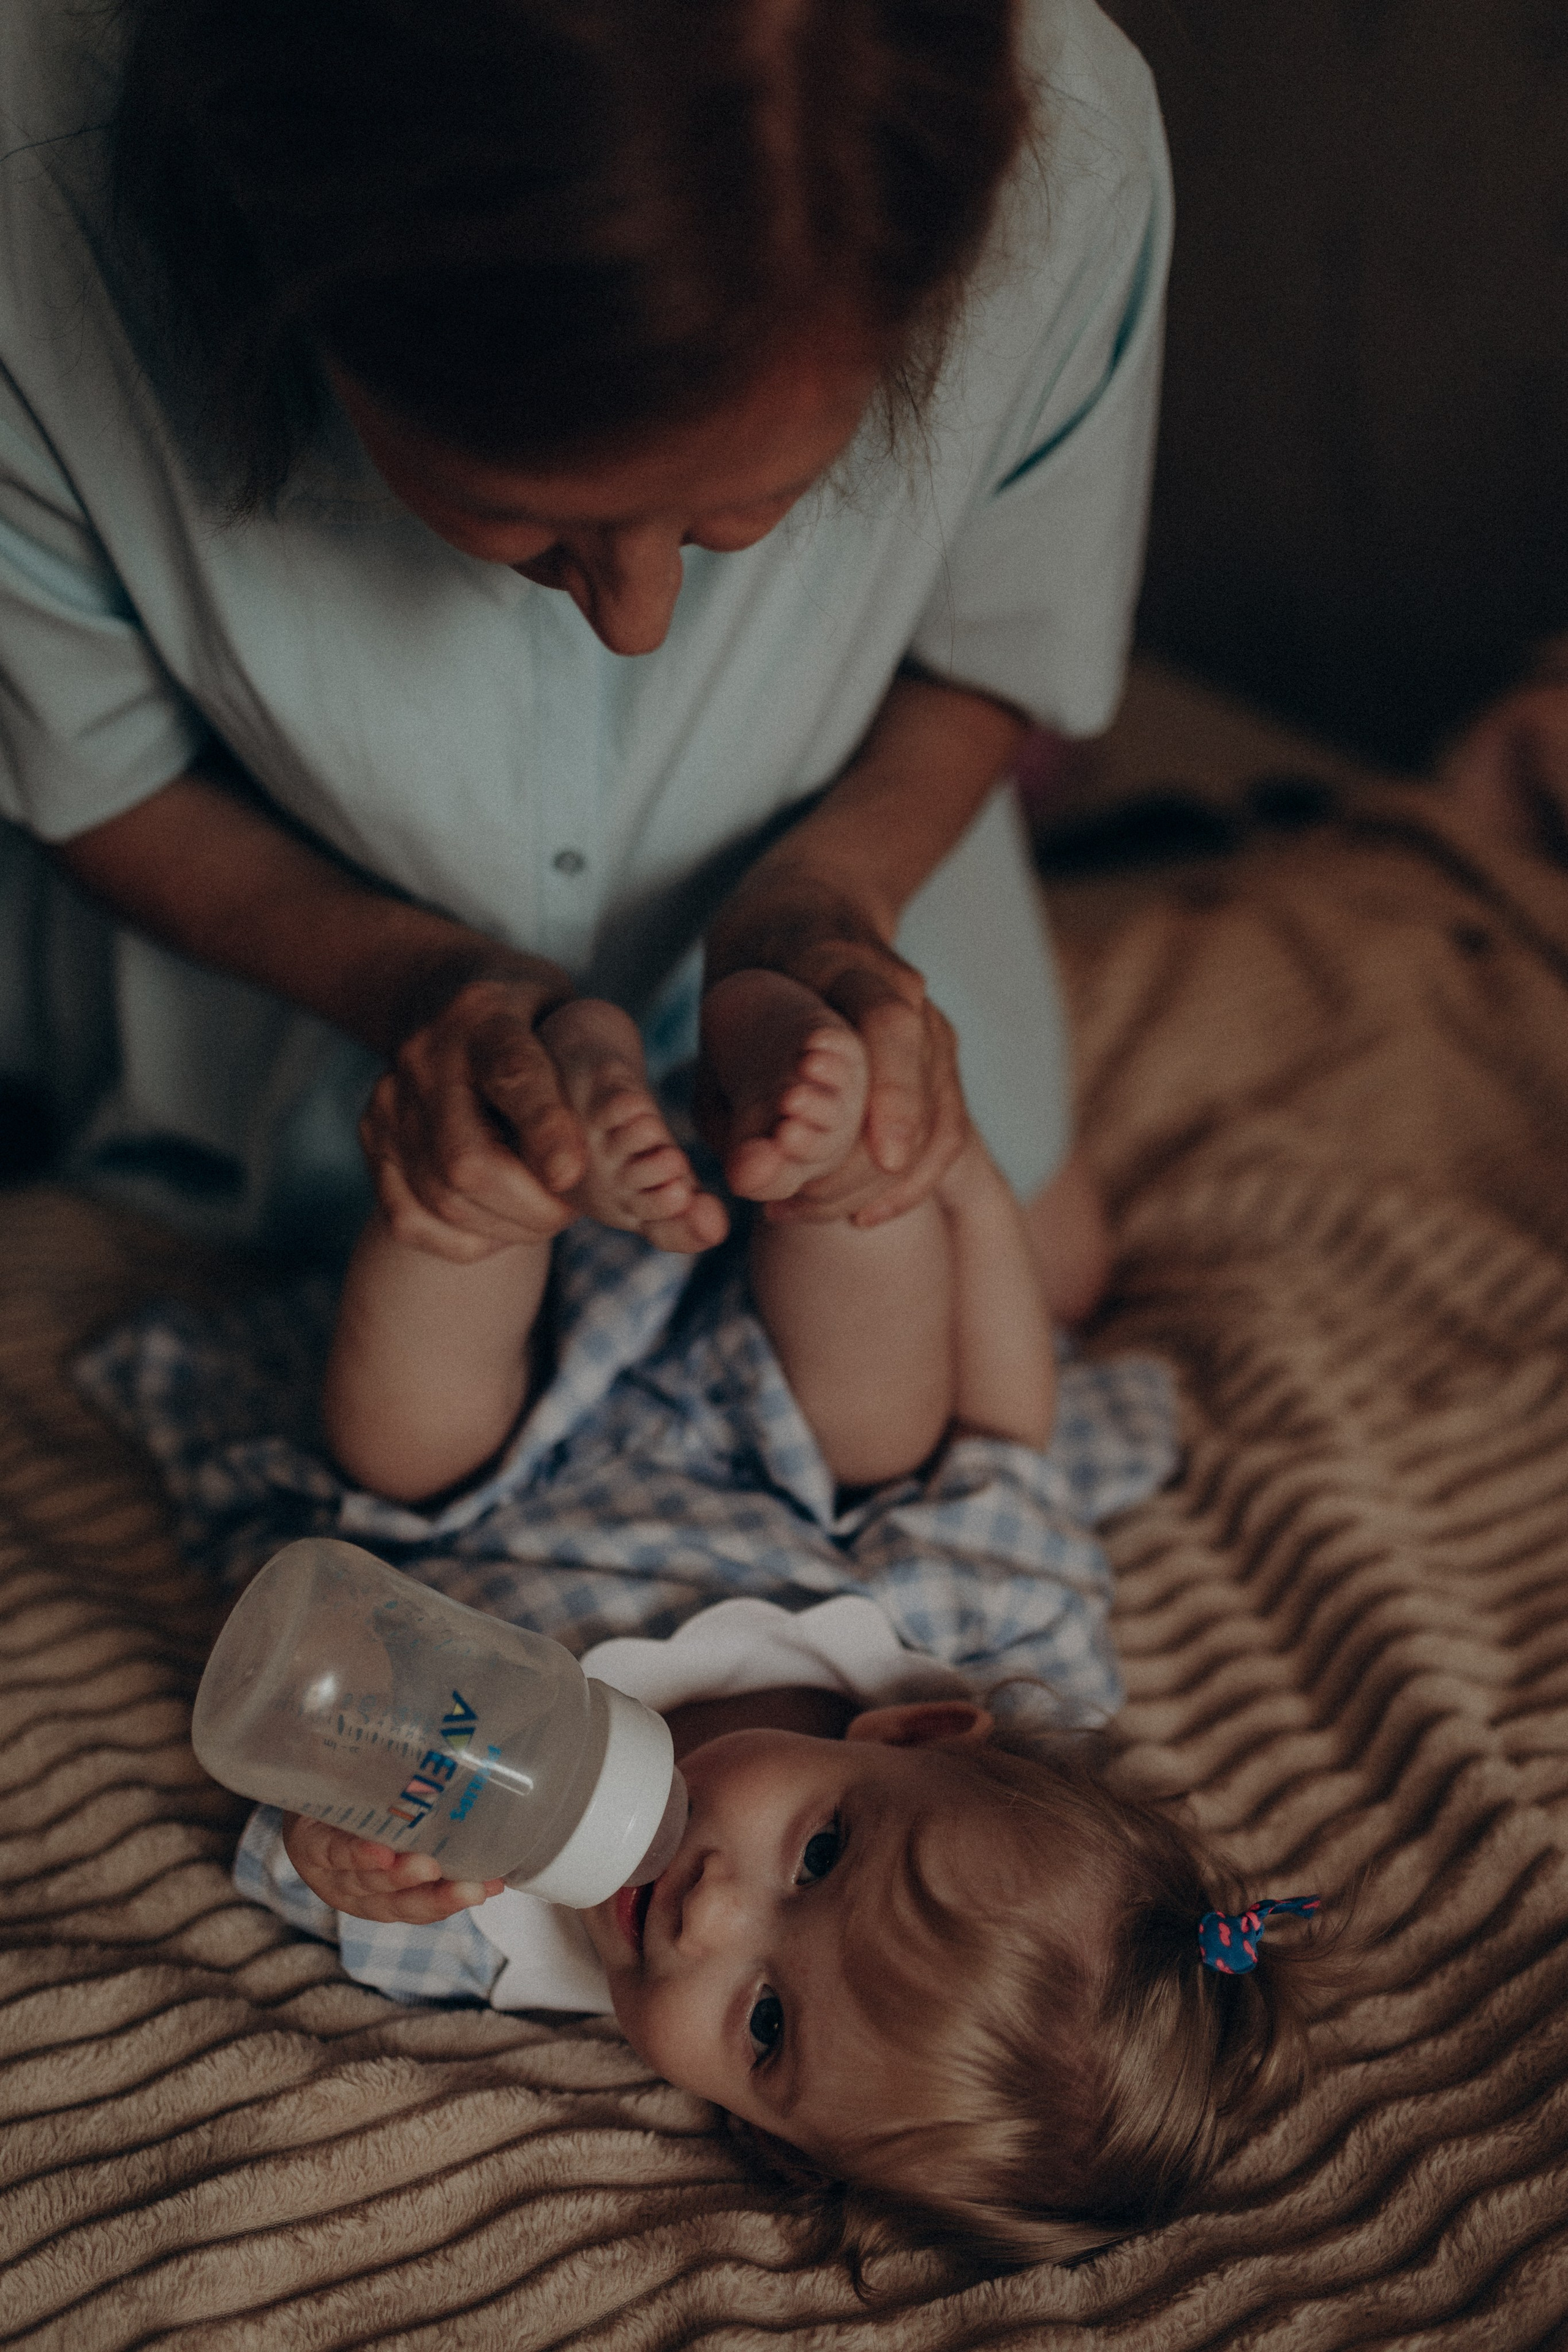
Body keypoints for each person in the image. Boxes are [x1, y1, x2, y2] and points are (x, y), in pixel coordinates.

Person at [0, 0, 1170, 1313]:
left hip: (849, 815)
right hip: (273, 901)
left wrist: (831, 894)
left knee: (1039, 1279)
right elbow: (99, 776)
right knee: (354, 1280)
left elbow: (992, 649)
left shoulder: (1063, 139)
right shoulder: (31, 193)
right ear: (293, 290)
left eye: (753, 505)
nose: (636, 621)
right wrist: (413, 983)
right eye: (519, 518)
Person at [244, 998, 1324, 2276]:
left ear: (777, 2136)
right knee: (887, 1417)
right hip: (748, 1389)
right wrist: (964, 1188)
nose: (707, 1913)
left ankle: (495, 1172)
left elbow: (309, 1797)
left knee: (405, 1443)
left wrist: (342, 1854)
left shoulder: (489, 1927)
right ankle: (831, 1156)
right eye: (818, 1854)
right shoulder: (953, 1633)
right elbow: (1006, 1439)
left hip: (495, 1466)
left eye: (764, 2027)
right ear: (916, 1732)